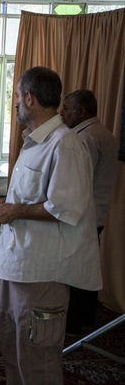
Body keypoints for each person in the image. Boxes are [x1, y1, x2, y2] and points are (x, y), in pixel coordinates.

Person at [0, 67, 101, 385]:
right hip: (19, 266)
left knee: (38, 359)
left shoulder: (65, 144)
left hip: (43, 272)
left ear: (29, 98)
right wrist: (5, 205)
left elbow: (67, 207)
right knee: (12, 345)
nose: (15, 105)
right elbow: (32, 197)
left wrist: (17, 210)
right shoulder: (36, 142)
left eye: (16, 96)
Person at [60, 89, 118, 334]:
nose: (62, 113)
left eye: (66, 109)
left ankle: (72, 323)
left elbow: (79, 180)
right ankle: (84, 319)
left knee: (73, 271)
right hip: (96, 213)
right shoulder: (104, 133)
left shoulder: (86, 139)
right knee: (86, 266)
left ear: (82, 111)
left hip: (82, 215)